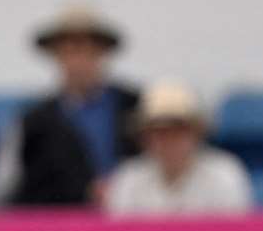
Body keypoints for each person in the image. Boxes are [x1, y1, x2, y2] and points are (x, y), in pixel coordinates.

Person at [0, 6, 141, 208]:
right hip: (60, 229)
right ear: (56, 56)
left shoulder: (137, 108)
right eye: (69, 51)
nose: (78, 61)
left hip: (132, 223)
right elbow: (0, 190)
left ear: (102, 53)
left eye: (87, 50)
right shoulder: (31, 123)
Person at [106, 81, 253, 216]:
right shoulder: (128, 179)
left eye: (178, 131)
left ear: (197, 134)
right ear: (145, 138)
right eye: (160, 133)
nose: (169, 141)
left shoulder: (225, 175)